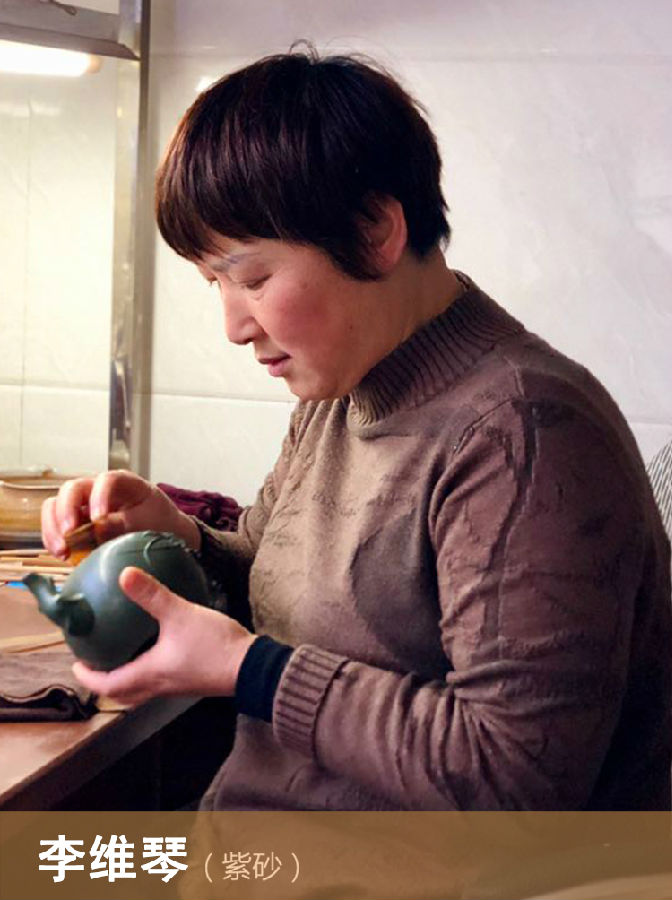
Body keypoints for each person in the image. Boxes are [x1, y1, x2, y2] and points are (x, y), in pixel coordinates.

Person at [42, 48, 671, 811]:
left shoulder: (523, 434)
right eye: (215, 284)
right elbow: (288, 589)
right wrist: (177, 538)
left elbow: (514, 777)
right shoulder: (343, 384)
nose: (234, 326)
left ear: (375, 230)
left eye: (254, 278)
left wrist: (252, 672)